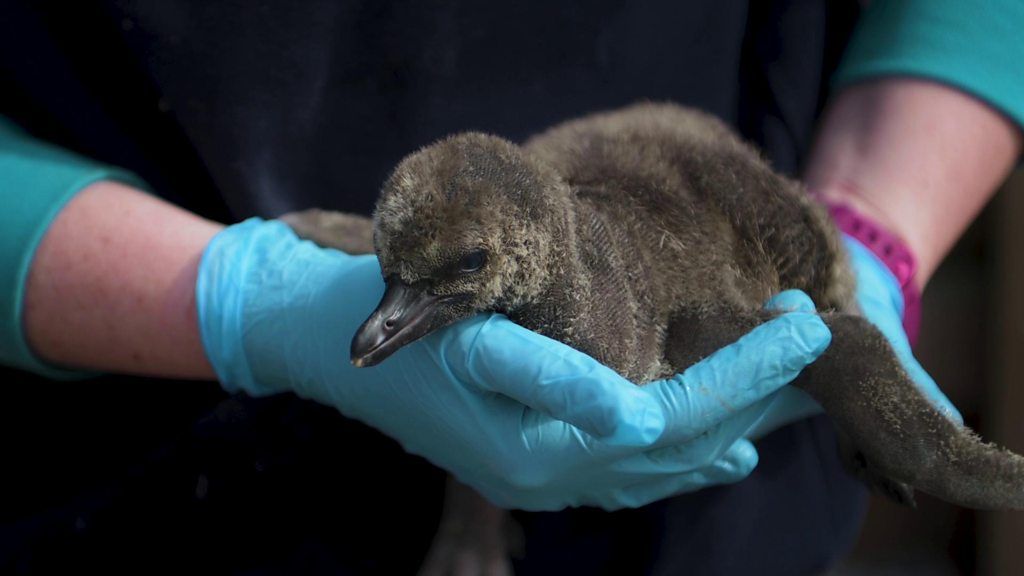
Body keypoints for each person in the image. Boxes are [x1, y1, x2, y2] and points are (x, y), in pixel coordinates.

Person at [0, 1, 1020, 574]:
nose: (378, 326)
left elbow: (828, 336)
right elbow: (353, 259)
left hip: (725, 522)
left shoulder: (673, 310)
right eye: (394, 291)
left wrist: (867, 235)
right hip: (146, 496)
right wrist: (242, 298)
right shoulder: (430, 262)